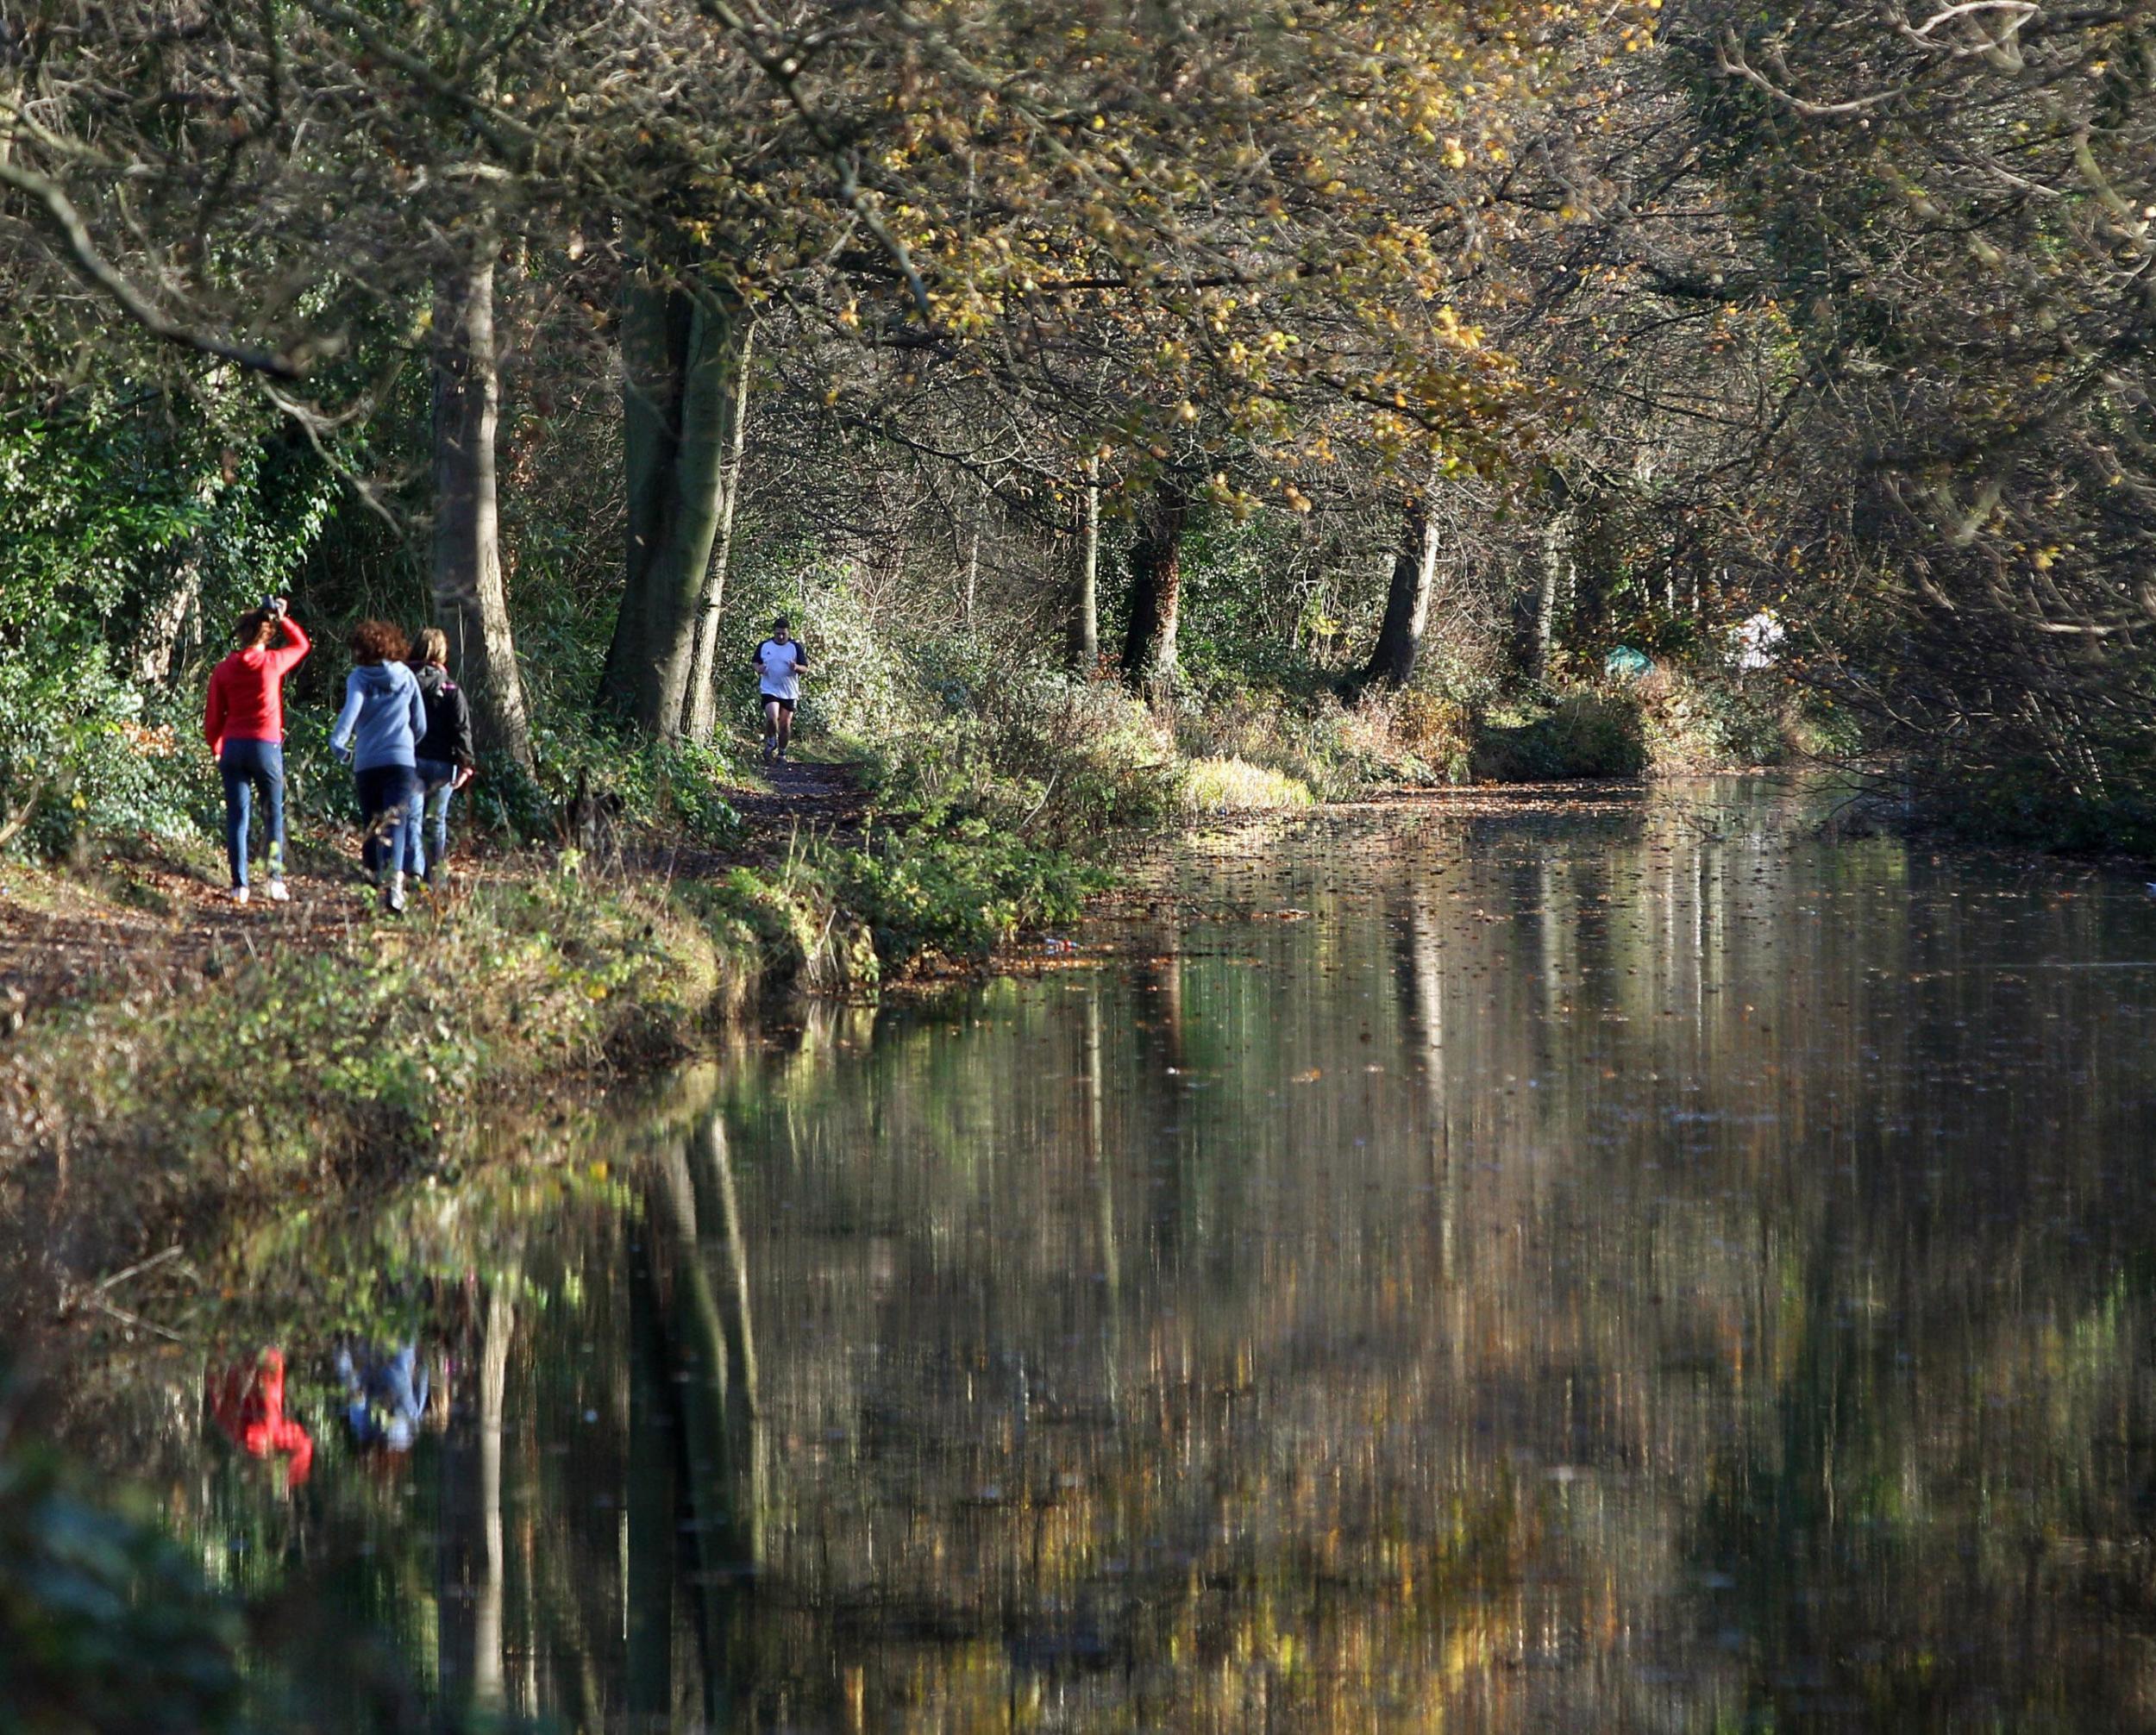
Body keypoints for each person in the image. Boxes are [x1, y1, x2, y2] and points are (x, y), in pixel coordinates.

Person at [202, 597, 310, 905]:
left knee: (238, 817)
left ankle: (240, 886)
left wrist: (216, 746)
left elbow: (213, 718)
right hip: (266, 746)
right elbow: (301, 644)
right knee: (272, 813)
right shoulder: (273, 663)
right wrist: (283, 618)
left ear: (241, 634)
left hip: (234, 747)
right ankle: (274, 881)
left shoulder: (223, 670)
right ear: (267, 634)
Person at [329, 619, 428, 913]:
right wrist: (407, 744)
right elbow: (420, 724)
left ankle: (373, 885)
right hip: (401, 762)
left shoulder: (359, 678)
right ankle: (395, 887)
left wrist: (339, 742)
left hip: (368, 763)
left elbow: (350, 713)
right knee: (395, 823)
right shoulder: (407, 677)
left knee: (372, 823)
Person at [405, 628, 475, 884]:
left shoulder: (403, 683)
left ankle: (413, 871)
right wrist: (466, 764)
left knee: (412, 818)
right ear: (442, 654)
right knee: (435, 822)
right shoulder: (451, 689)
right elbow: (462, 728)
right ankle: (436, 880)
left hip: (410, 760)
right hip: (443, 766)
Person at [334, 1342, 430, 1453]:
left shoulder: (411, 1421)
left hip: (396, 1377)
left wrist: (423, 1362)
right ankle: (340, 1345)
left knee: (403, 1338)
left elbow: (423, 1381)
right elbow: (357, 1398)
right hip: (376, 1376)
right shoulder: (366, 1432)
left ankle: (341, 1347)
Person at [752, 615, 809, 763]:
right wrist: (759, 669)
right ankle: (771, 741)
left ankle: (782, 753)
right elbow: (755, 662)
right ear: (774, 632)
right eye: (778, 633)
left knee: (785, 724)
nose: (781, 636)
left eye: (784, 633)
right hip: (769, 688)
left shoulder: (795, 647)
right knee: (771, 717)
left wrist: (796, 667)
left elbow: (805, 668)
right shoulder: (765, 646)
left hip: (789, 691)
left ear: (788, 632)